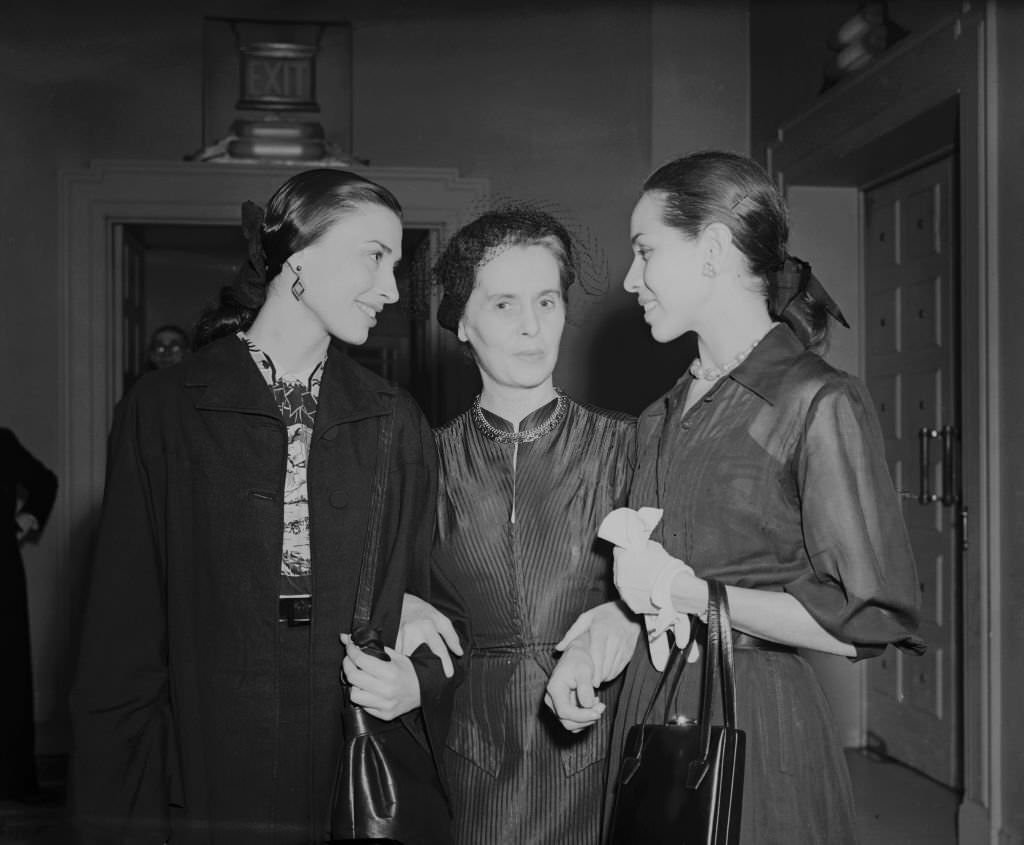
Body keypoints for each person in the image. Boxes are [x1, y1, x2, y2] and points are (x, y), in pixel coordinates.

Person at [70, 168, 451, 844]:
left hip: (346, 759)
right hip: (207, 767)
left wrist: (417, 680)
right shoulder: (163, 412)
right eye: (374, 256)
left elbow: (444, 599)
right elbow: (119, 650)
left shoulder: (396, 420)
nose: (391, 290)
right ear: (299, 258)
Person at [587, 150, 925, 844]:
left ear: (711, 249)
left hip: (757, 724)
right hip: (649, 710)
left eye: (644, 251)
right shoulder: (661, 414)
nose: (630, 279)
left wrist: (685, 593)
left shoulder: (815, 402)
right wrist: (609, 629)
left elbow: (870, 620)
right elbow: (653, 577)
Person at [426, 206, 639, 844]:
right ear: (461, 321)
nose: (530, 327)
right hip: (466, 750)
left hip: (598, 742)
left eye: (547, 302)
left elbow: (679, 591)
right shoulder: (421, 461)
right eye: (503, 305)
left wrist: (626, 615)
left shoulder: (627, 449)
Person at [0, 428, 58, 802]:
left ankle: (12, 780)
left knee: (8, 672)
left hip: (1, 574)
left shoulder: (1, 441)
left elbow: (44, 482)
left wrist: (23, 522)